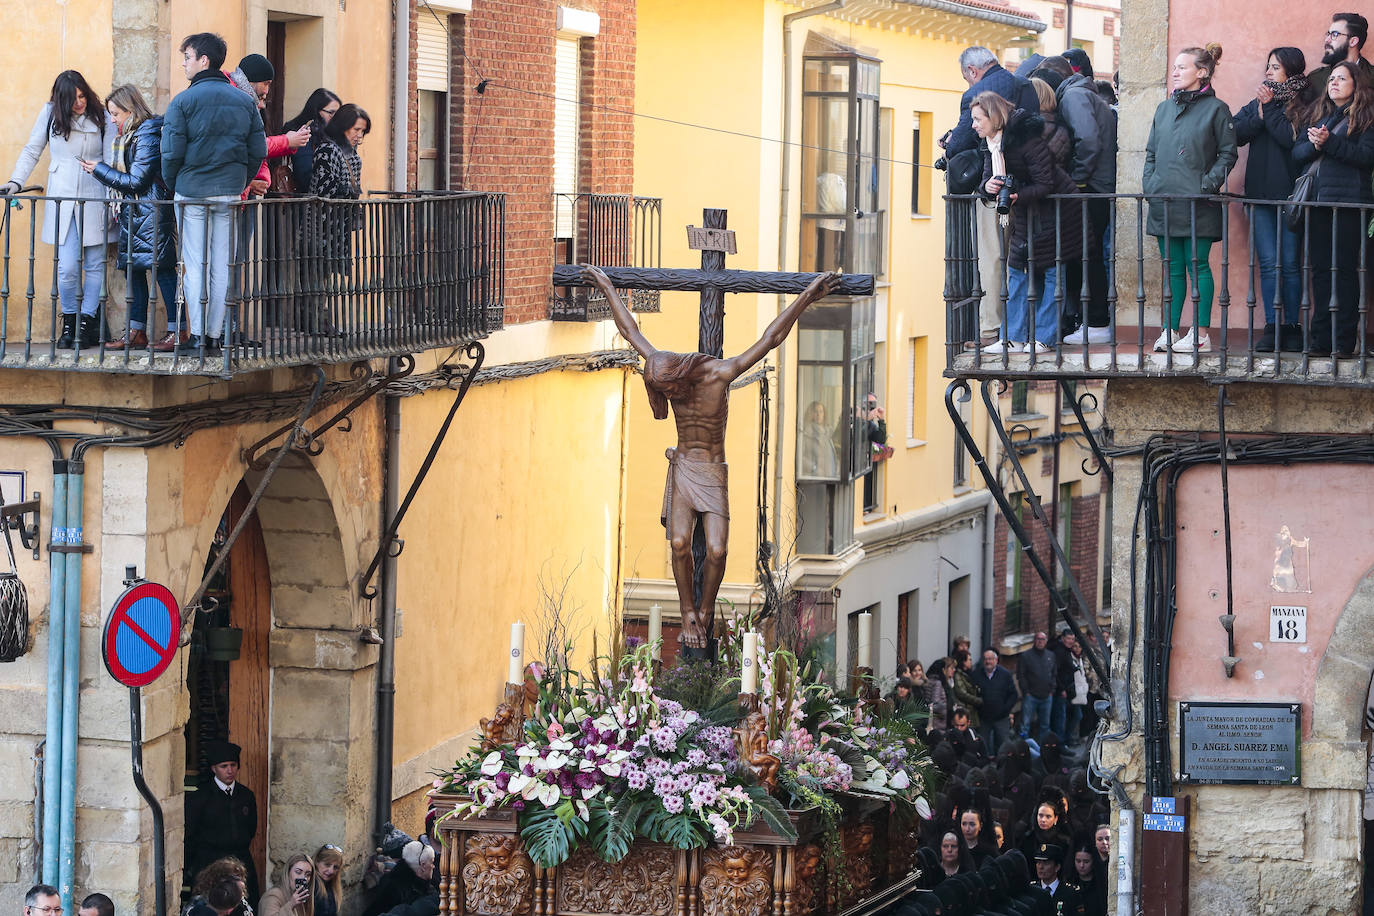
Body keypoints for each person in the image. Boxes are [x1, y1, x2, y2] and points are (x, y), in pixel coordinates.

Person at [583, 264, 838, 651]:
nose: (669, 398)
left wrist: (807, 296)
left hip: (713, 471)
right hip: (684, 466)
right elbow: (630, 331)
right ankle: (688, 612)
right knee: (680, 544)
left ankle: (704, 612)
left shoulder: (720, 374)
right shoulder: (661, 367)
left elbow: (771, 338)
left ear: (680, 379)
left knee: (717, 550)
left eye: (669, 391)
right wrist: (605, 286)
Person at [162, 32, 268, 354]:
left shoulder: (182, 101)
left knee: (195, 265)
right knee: (221, 265)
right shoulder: (246, 101)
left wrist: (174, 183)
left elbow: (170, 154)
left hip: (192, 192)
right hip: (229, 194)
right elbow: (257, 150)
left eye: (187, 57)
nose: (184, 64)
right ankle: (214, 337)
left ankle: (197, 337)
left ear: (203, 60)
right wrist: (241, 181)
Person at [2, 70, 113, 349]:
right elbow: (32, 149)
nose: (79, 102)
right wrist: (16, 182)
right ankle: (70, 322)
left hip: (95, 196)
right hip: (62, 199)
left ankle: (86, 324)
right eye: (73, 98)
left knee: (95, 264)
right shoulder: (51, 114)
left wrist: (115, 198)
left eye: (82, 95)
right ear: (60, 100)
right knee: (66, 268)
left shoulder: (102, 116)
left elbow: (111, 158)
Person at [1142, 43, 1238, 353]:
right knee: (1171, 267)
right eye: (1174, 67)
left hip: (1199, 201)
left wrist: (1206, 185)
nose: (1175, 71)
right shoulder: (1163, 108)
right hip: (1164, 201)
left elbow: (1228, 154)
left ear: (1202, 72)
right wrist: (1151, 185)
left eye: (1182, 67)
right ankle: (1169, 331)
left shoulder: (1217, 109)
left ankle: (1199, 334)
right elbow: (1151, 153)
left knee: (1197, 265)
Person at [946, 48, 1040, 346]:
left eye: (977, 119)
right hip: (1026, 197)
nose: (975, 123)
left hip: (1002, 199)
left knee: (993, 259)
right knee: (1022, 262)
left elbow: (959, 144)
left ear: (972, 71)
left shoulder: (978, 97)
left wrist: (950, 145)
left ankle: (992, 330)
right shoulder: (1024, 86)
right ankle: (1019, 328)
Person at [976, 91, 1082, 354]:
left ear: (994, 117)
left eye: (978, 119)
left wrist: (1016, 195)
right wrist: (987, 187)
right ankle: (1012, 337)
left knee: (1052, 273)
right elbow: (988, 178)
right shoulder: (992, 144)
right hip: (1027, 211)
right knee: (1016, 273)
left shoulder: (1028, 140)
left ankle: (1044, 337)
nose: (974, 125)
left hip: (1058, 212)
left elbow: (1046, 183)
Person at [84, 84, 180, 351]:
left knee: (162, 271)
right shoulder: (131, 135)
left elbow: (137, 180)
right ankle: (136, 331)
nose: (112, 119)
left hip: (150, 212)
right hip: (134, 212)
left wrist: (99, 170)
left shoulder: (147, 133)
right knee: (134, 270)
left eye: (115, 114)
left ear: (130, 109)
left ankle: (178, 331)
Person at [1234, 47, 1313, 352]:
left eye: (1275, 67)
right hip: (1259, 197)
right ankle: (1272, 327)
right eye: (1268, 66)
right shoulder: (1259, 104)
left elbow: (1291, 141)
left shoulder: (1305, 105)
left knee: (1290, 264)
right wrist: (1261, 113)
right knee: (1268, 264)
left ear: (1291, 72)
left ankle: (1292, 328)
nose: (1268, 72)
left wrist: (1268, 112)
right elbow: (1236, 131)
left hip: (1290, 198)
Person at [1293, 60, 1374, 356]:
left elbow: (1366, 157)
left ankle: (1343, 342)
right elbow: (1297, 153)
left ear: (1356, 84)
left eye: (1342, 78)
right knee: (1321, 272)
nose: (1334, 83)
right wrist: (1314, 146)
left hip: (1349, 203)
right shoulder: (1319, 114)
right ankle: (1320, 341)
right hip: (1318, 202)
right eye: (1332, 79)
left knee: (1344, 272)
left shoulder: (1367, 117)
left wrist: (1329, 144)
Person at [1044, 53, 1118, 345]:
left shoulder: (1073, 97)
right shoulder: (1081, 93)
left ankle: (1097, 320)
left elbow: (1087, 139)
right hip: (1096, 183)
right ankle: (1090, 319)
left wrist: (1077, 178)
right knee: (1086, 252)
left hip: (1093, 186)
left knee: (1086, 253)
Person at [185, 740, 260, 904]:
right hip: (209, 862)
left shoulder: (246, 796)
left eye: (233, 765)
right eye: (224, 766)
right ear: (214, 768)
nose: (229, 770)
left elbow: (251, 829)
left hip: (240, 860)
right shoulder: (199, 798)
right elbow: (190, 835)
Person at [284, 89, 341, 191]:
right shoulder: (302, 132)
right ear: (317, 111)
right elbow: (304, 172)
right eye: (331, 113)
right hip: (304, 199)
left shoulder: (334, 134)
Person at [362, 841, 434, 916]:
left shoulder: (417, 884)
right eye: (432, 862)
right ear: (423, 865)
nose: (433, 866)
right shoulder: (396, 889)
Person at [1309, 14, 1374, 94]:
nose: (1327, 40)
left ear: (1353, 41)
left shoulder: (1371, 77)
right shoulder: (1315, 79)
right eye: (1328, 34)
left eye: (1334, 34)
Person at [971, 647, 1019, 755]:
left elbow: (1013, 695)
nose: (988, 661)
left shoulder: (1005, 675)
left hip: (1001, 718)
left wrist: (1005, 710)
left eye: (990, 659)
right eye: (986, 659)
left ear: (996, 660)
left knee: (1004, 746)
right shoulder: (976, 675)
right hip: (983, 719)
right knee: (983, 746)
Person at [1018, 631, 1056, 740]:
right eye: (1038, 639)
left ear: (1046, 641)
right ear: (1034, 641)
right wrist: (1026, 692)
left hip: (1047, 696)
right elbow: (1021, 675)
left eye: (1043, 639)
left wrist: (1052, 690)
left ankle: (1043, 750)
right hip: (1031, 696)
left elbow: (1054, 674)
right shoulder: (1026, 656)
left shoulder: (1051, 655)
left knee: (1045, 725)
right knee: (1025, 725)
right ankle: (1024, 748)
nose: (1040, 642)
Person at [1030, 843, 1085, 913]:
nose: (1040, 867)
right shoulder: (1031, 890)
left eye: (1046, 863)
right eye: (1038, 862)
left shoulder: (1071, 893)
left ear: (1057, 867)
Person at [800, 401, 840, 477]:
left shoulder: (828, 433)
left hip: (830, 478)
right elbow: (800, 457)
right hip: (814, 479)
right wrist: (814, 468)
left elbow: (832, 454)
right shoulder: (806, 433)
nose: (818, 414)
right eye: (815, 411)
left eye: (821, 411)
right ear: (811, 414)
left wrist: (836, 467)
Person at [1049, 629, 1076, 741]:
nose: (1071, 641)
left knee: (1067, 715)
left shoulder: (1066, 650)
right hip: (1060, 691)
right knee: (1060, 717)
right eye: (1068, 638)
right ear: (1063, 638)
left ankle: (1064, 740)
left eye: (1072, 639)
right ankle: (1060, 742)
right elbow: (1055, 672)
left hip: (1066, 689)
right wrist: (1061, 689)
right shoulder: (1060, 651)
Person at [1072, 842, 1107, 916]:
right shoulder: (1070, 883)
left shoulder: (1101, 885)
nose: (1081, 865)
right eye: (1078, 861)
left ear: (1093, 861)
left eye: (1086, 861)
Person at [950, 650, 983, 727]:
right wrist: (978, 701)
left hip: (971, 710)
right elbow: (961, 693)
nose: (971, 662)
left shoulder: (968, 674)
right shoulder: (958, 675)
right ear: (964, 662)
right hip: (965, 710)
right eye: (969, 660)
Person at [312, 845, 344, 916]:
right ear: (317, 862)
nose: (331, 871)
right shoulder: (312, 885)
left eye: (335, 867)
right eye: (327, 865)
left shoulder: (330, 885)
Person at [927, 657, 953, 731]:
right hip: (938, 723)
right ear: (942, 670)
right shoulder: (937, 683)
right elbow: (935, 703)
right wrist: (945, 706)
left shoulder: (928, 681)